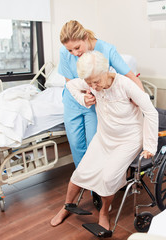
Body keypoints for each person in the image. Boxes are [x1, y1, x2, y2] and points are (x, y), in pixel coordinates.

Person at [50, 51, 158, 230]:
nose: (93, 86)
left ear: (106, 71)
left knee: (108, 178)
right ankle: (66, 207)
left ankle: (104, 213)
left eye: (96, 82)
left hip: (128, 139)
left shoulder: (125, 85)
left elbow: (151, 112)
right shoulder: (90, 82)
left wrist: (150, 145)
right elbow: (71, 86)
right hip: (104, 136)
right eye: (89, 83)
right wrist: (83, 98)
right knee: (81, 172)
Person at [58, 20, 143, 167]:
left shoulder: (106, 49)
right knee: (76, 146)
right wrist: (82, 96)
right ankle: (83, 181)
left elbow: (131, 76)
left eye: (77, 48)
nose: (74, 53)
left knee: (95, 145)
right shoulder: (64, 52)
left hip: (95, 104)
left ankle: (96, 186)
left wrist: (141, 99)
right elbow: (69, 82)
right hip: (72, 102)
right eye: (70, 50)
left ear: (85, 37)